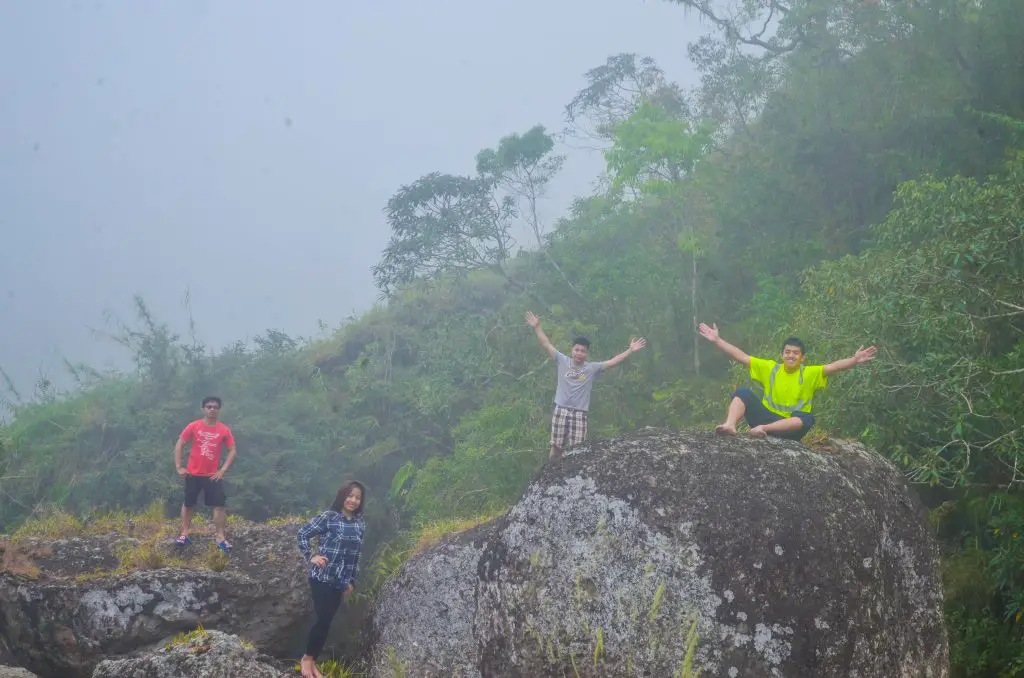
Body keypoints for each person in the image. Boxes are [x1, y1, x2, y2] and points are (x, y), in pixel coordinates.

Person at [697, 322, 877, 441]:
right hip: (766, 416)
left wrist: (854, 360)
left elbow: (834, 367)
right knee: (742, 393)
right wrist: (717, 340)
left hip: (789, 428)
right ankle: (730, 425)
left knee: (807, 418)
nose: (791, 355)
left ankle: (762, 429)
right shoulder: (770, 368)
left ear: (802, 358)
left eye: (795, 353)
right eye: (788, 352)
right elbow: (741, 356)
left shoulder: (809, 373)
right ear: (782, 354)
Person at [526, 311, 647, 460]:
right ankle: (549, 475)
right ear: (572, 350)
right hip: (561, 410)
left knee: (577, 451)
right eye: (577, 349)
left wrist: (630, 350)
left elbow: (613, 362)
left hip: (579, 413)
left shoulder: (591, 368)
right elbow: (546, 344)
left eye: (583, 351)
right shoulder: (562, 360)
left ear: (587, 354)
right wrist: (537, 327)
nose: (579, 353)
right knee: (556, 448)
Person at [296, 480, 366, 678]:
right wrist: (312, 556)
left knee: (326, 622)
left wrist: (352, 580)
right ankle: (307, 659)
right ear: (342, 496)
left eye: (357, 497)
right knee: (322, 619)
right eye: (350, 495)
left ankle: (312, 660)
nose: (353, 500)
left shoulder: (360, 523)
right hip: (321, 577)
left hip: (340, 582)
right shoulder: (330, 517)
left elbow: (356, 555)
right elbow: (302, 534)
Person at [173, 396, 237, 552]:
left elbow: (232, 450)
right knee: (189, 503)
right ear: (203, 409)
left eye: (215, 407)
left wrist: (222, 470)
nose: (212, 409)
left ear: (219, 410)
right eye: (209, 406)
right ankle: (185, 532)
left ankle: (220, 537)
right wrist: (179, 466)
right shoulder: (194, 426)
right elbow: (180, 443)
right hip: (193, 473)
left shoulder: (223, 429)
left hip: (212, 475)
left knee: (219, 505)